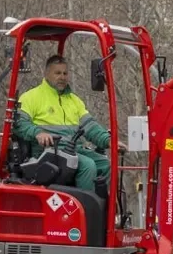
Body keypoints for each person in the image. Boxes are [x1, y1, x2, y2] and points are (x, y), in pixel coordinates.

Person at [12, 55, 112, 194]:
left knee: (106, 164)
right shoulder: (31, 97)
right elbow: (19, 124)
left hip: (73, 149)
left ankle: (104, 210)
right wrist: (38, 133)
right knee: (88, 166)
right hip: (48, 152)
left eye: (65, 73)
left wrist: (108, 140)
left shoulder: (74, 100)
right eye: (57, 73)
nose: (62, 77)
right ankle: (86, 211)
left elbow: (89, 126)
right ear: (46, 74)